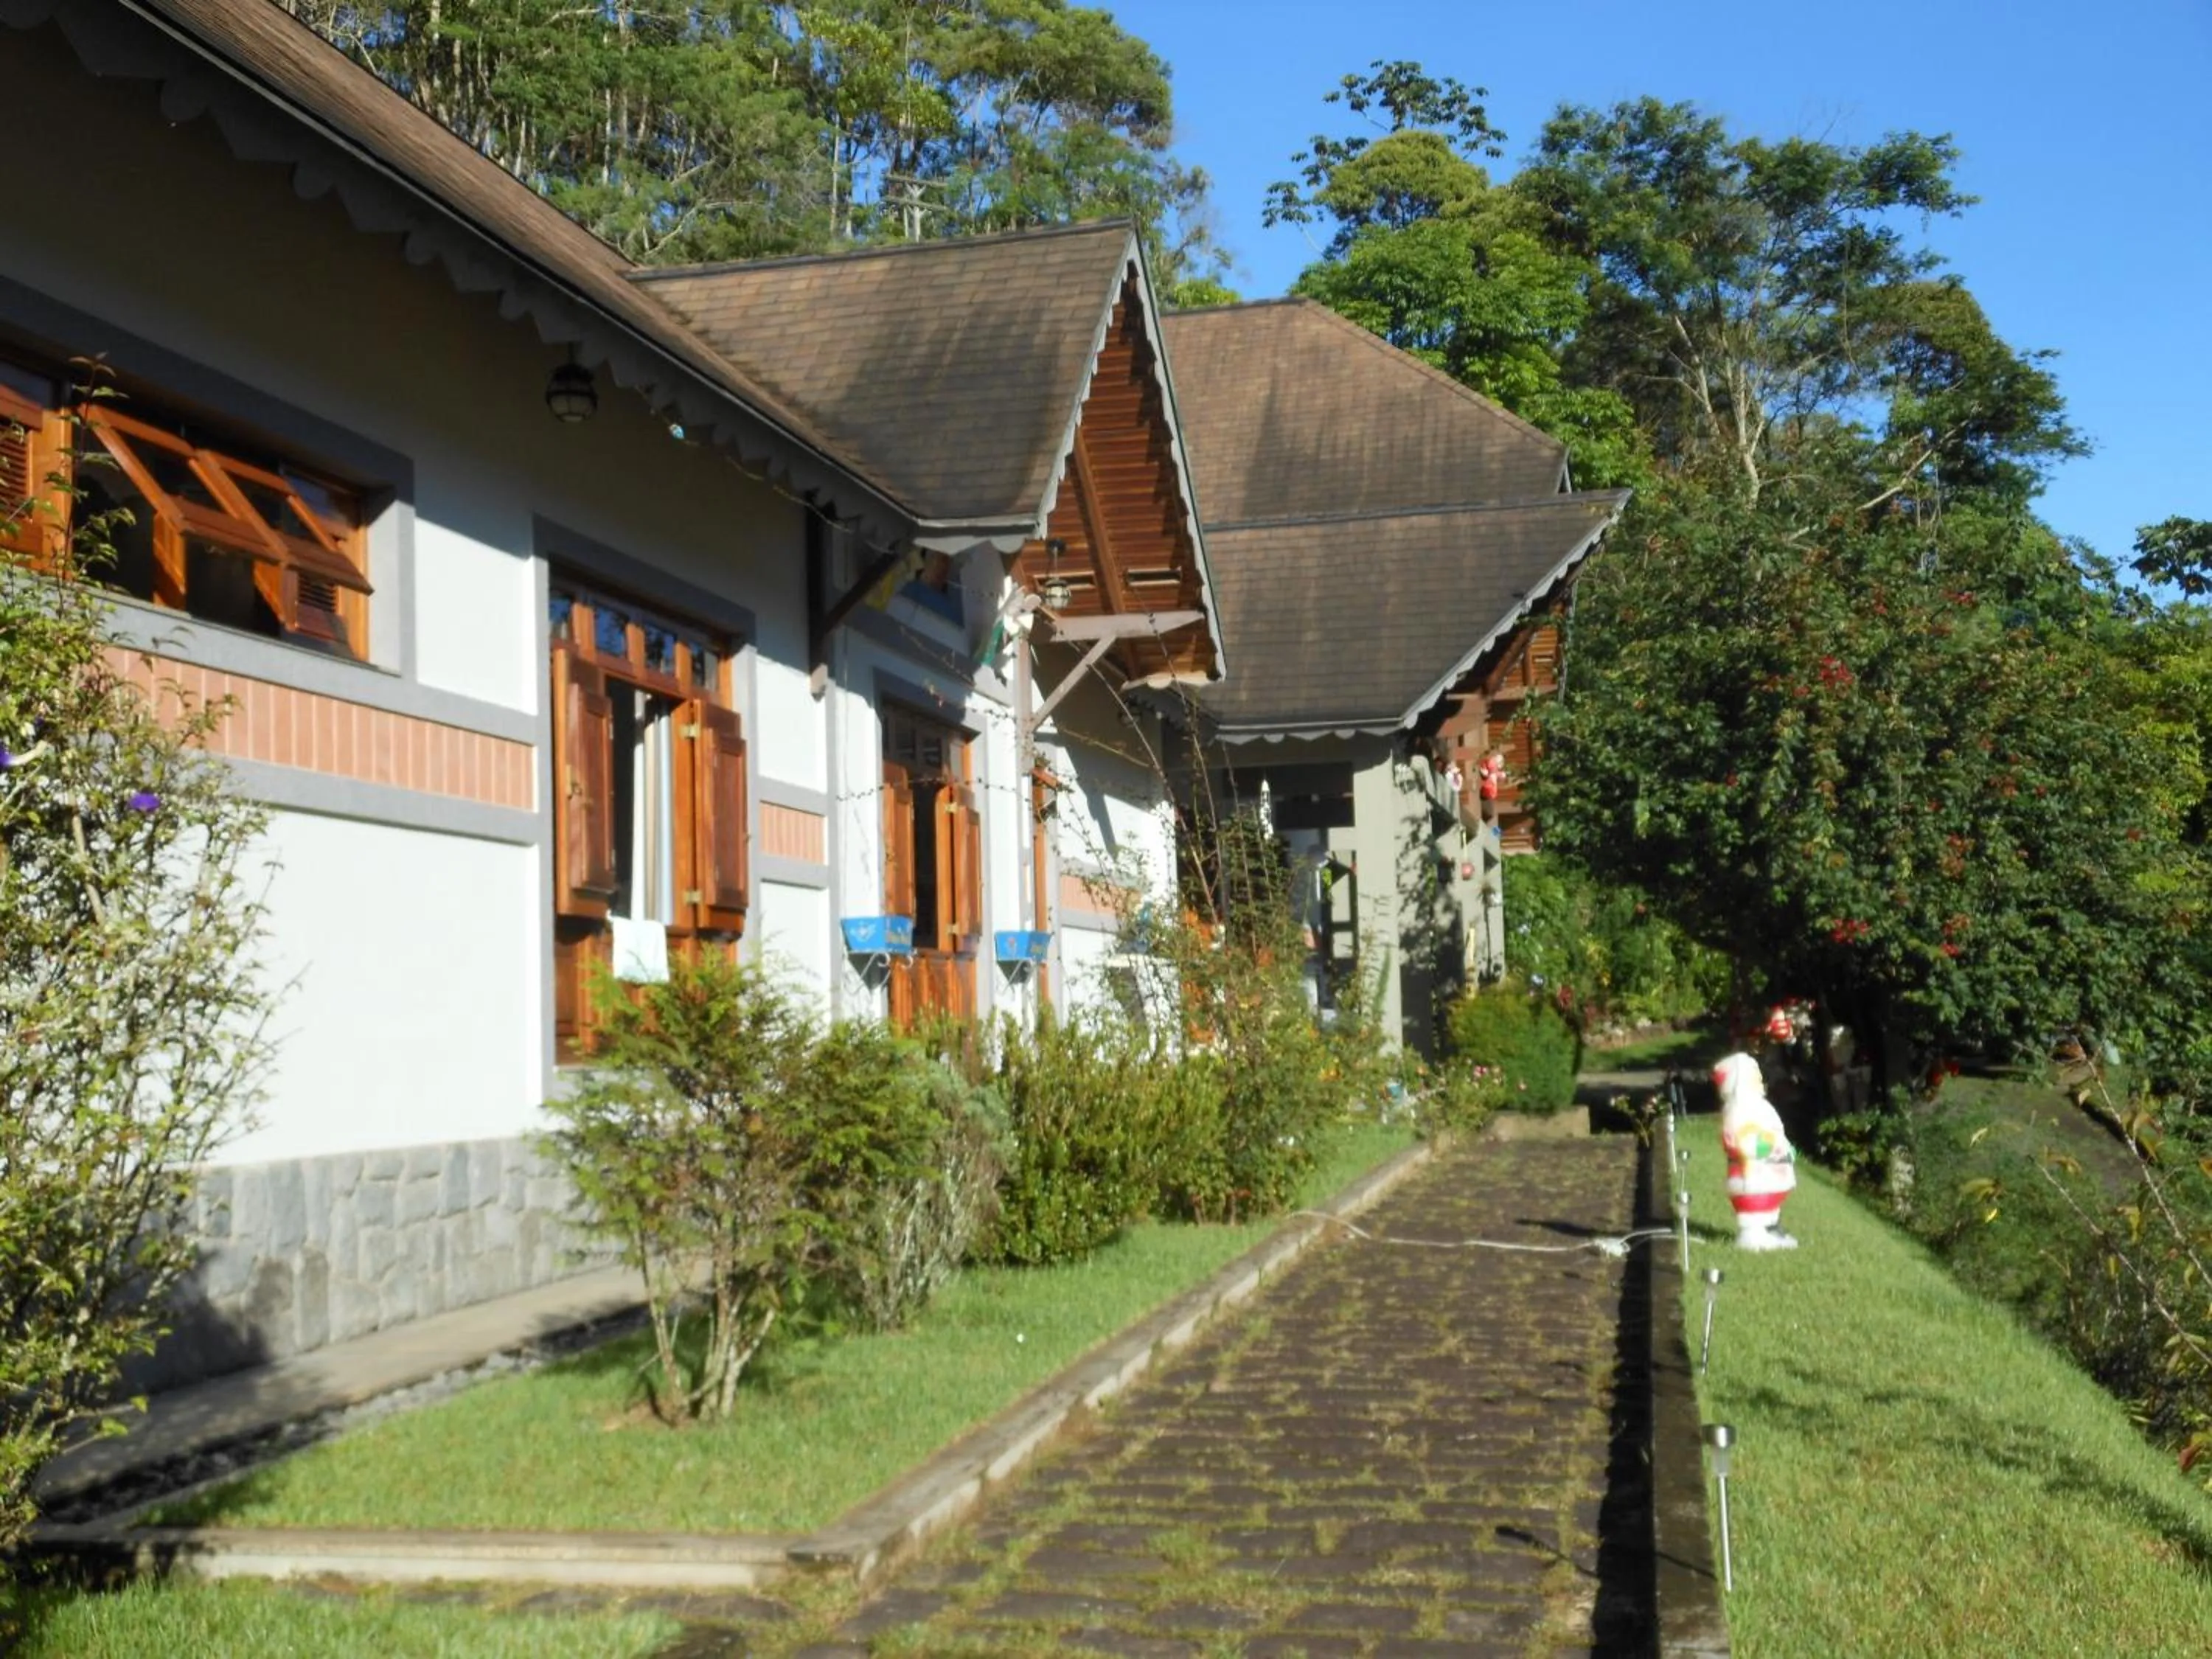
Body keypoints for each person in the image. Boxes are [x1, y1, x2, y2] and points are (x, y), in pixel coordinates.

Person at [1714, 1051, 1798, 1251]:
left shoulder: (1758, 1105)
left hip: (1770, 1168)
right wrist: (1764, 1146)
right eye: (1754, 1076)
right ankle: (1753, 1234)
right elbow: (1740, 1139)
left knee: (1770, 1202)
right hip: (1751, 1172)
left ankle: (1771, 1228)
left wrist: (1783, 1147)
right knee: (1756, 1203)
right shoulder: (1738, 1110)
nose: (1759, 1079)